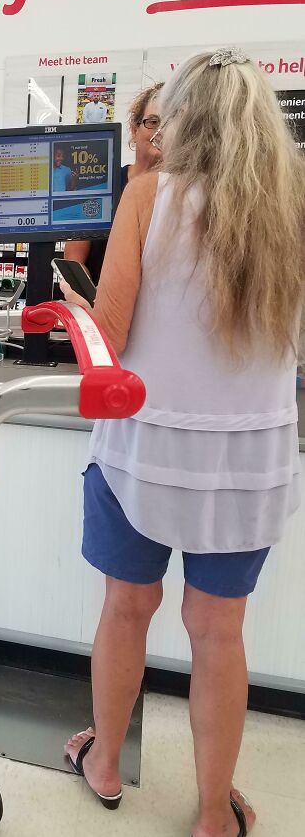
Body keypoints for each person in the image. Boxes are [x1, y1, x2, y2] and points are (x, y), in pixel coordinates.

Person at [60, 49, 304, 837]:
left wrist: (70, 297)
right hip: (250, 460)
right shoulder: (293, 205)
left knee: (126, 609)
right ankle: (211, 813)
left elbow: (114, 333)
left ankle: (102, 764)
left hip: (142, 449)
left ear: (183, 120)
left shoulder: (145, 196)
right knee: (219, 631)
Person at [65, 82, 163, 284]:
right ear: (135, 129)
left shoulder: (184, 192)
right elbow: (74, 258)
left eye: (170, 123)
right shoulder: (99, 186)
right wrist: (91, 299)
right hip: (99, 305)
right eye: (152, 122)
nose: (161, 131)